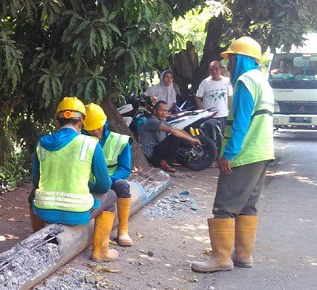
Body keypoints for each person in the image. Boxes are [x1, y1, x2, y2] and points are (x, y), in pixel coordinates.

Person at [191, 36, 274, 273]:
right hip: (263, 151)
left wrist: (228, 154)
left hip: (246, 153)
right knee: (248, 205)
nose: (229, 65)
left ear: (242, 59)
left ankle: (221, 258)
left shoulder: (246, 81)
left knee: (224, 206)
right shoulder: (262, 81)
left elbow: (241, 122)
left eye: (232, 58)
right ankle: (243, 255)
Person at [29, 97, 120, 262]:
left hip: (44, 212)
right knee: (112, 196)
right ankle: (101, 251)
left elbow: (35, 181)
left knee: (32, 196)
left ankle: (35, 239)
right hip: (77, 212)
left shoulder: (42, 143)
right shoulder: (90, 144)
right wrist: (87, 185)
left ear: (58, 122)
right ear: (82, 122)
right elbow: (104, 185)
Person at [82, 103, 134, 246]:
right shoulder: (81, 141)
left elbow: (124, 168)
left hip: (112, 180)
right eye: (91, 130)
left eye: (97, 128)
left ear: (104, 122)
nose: (95, 132)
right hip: (87, 183)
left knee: (123, 185)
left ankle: (123, 229)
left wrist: (109, 180)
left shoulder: (120, 141)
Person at [139, 100, 201, 173]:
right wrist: (191, 139)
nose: (164, 113)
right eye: (161, 111)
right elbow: (173, 131)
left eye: (166, 111)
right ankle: (163, 162)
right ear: (155, 111)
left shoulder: (163, 122)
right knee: (175, 137)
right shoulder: (152, 121)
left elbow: (178, 130)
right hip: (150, 153)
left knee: (180, 136)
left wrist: (191, 139)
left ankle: (172, 160)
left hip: (157, 151)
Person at [195, 60, 233, 130]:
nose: (214, 71)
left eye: (216, 68)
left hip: (224, 115)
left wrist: (230, 112)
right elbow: (197, 98)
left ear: (221, 69)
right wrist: (204, 112)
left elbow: (230, 97)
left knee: (223, 137)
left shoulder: (227, 81)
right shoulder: (205, 82)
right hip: (210, 117)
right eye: (211, 69)